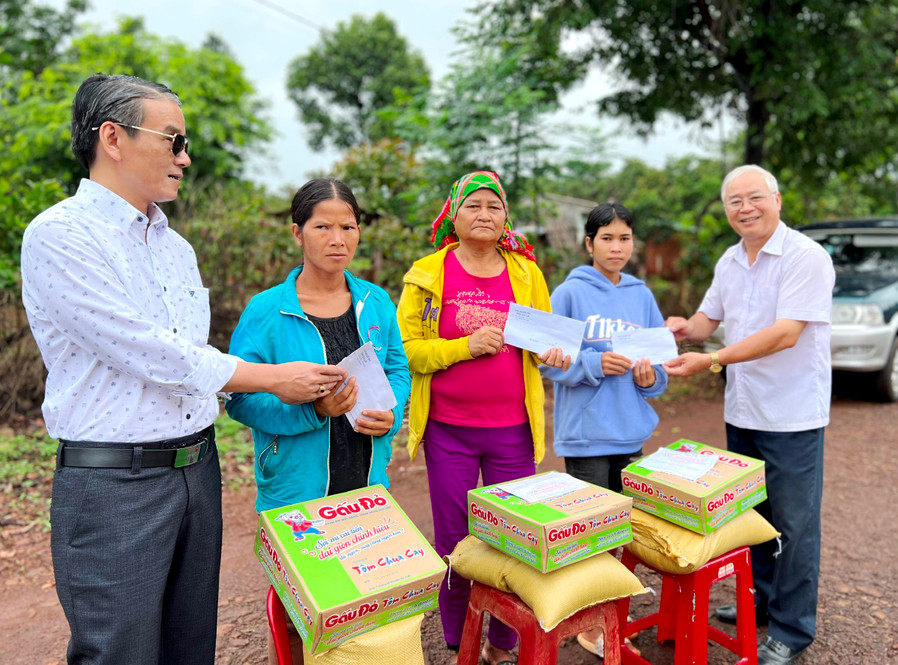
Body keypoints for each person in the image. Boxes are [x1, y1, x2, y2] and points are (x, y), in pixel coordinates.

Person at [20, 73, 346, 665]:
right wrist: (271, 377)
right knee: (120, 651)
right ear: (113, 138)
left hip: (197, 468)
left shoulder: (175, 247)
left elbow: (189, 354)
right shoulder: (61, 235)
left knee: (189, 646)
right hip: (115, 483)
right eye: (173, 140)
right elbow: (146, 349)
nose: (185, 157)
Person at [225, 177, 412, 662]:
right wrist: (312, 411)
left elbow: (395, 367)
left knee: (365, 602)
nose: (338, 239)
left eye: (348, 226)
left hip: (366, 477)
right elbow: (239, 396)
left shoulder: (375, 301)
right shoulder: (267, 311)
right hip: (296, 486)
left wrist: (389, 414)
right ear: (296, 233)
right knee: (298, 611)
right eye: (322, 226)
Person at [663, 165, 834, 665]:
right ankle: (758, 604)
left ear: (777, 199)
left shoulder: (805, 257)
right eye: (734, 201)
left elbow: (786, 333)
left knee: (795, 523)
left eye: (754, 197)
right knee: (752, 517)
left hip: (793, 415)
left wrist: (712, 359)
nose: (745, 208)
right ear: (726, 210)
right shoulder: (730, 261)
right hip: (744, 410)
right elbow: (707, 319)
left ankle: (792, 628)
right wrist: (683, 329)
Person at [397, 170, 569, 665]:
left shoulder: (526, 273)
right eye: (473, 205)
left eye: (494, 206)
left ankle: (501, 642)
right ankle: (459, 643)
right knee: (455, 541)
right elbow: (408, 350)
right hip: (448, 431)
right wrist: (462, 347)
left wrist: (552, 354)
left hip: (513, 431)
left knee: (513, 537)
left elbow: (541, 340)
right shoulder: (428, 273)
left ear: (506, 216)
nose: (485, 214)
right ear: (453, 213)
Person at [539, 202, 667, 657]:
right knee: (591, 532)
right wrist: (594, 362)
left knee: (622, 530)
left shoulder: (642, 295)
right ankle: (589, 626)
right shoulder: (570, 294)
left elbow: (659, 369)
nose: (617, 247)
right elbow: (547, 362)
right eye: (607, 238)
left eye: (625, 238)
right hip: (587, 434)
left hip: (630, 433)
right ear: (589, 243)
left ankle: (608, 616)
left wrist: (651, 378)